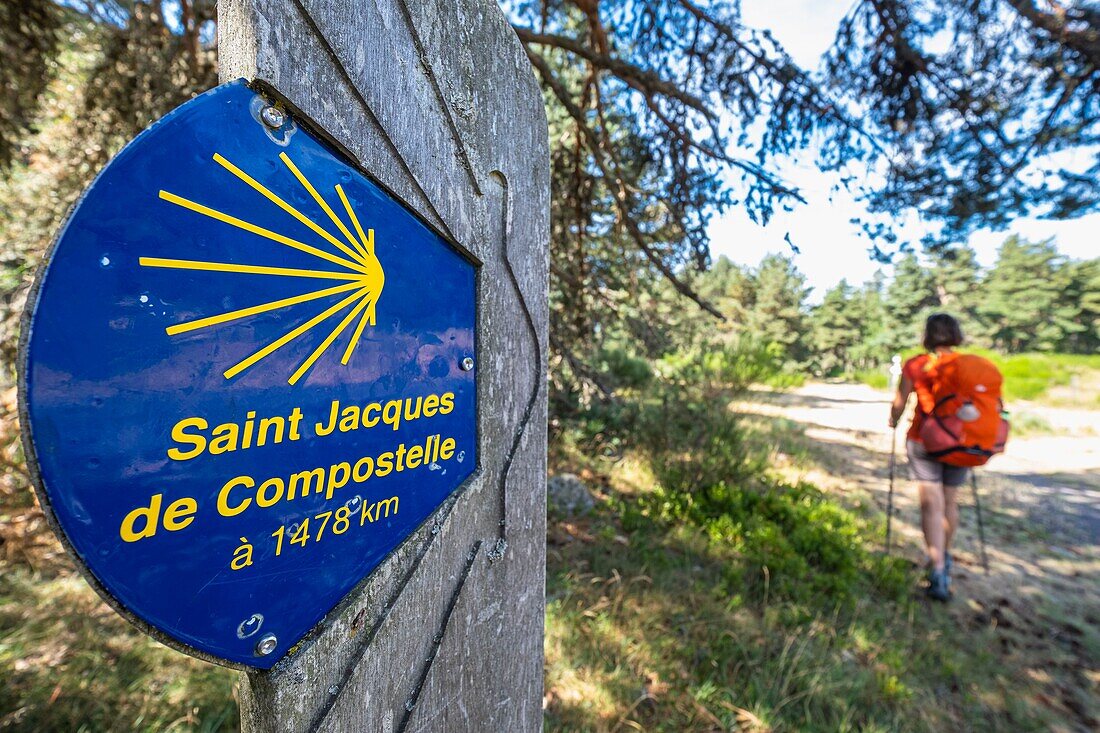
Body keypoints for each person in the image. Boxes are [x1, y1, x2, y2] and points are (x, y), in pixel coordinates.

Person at [889, 313, 968, 602]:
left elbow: (901, 402)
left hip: (924, 440)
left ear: (928, 334)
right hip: (959, 443)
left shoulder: (916, 364)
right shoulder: (966, 366)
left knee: (931, 505)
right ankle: (944, 558)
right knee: (949, 502)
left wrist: (893, 420)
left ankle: (936, 568)